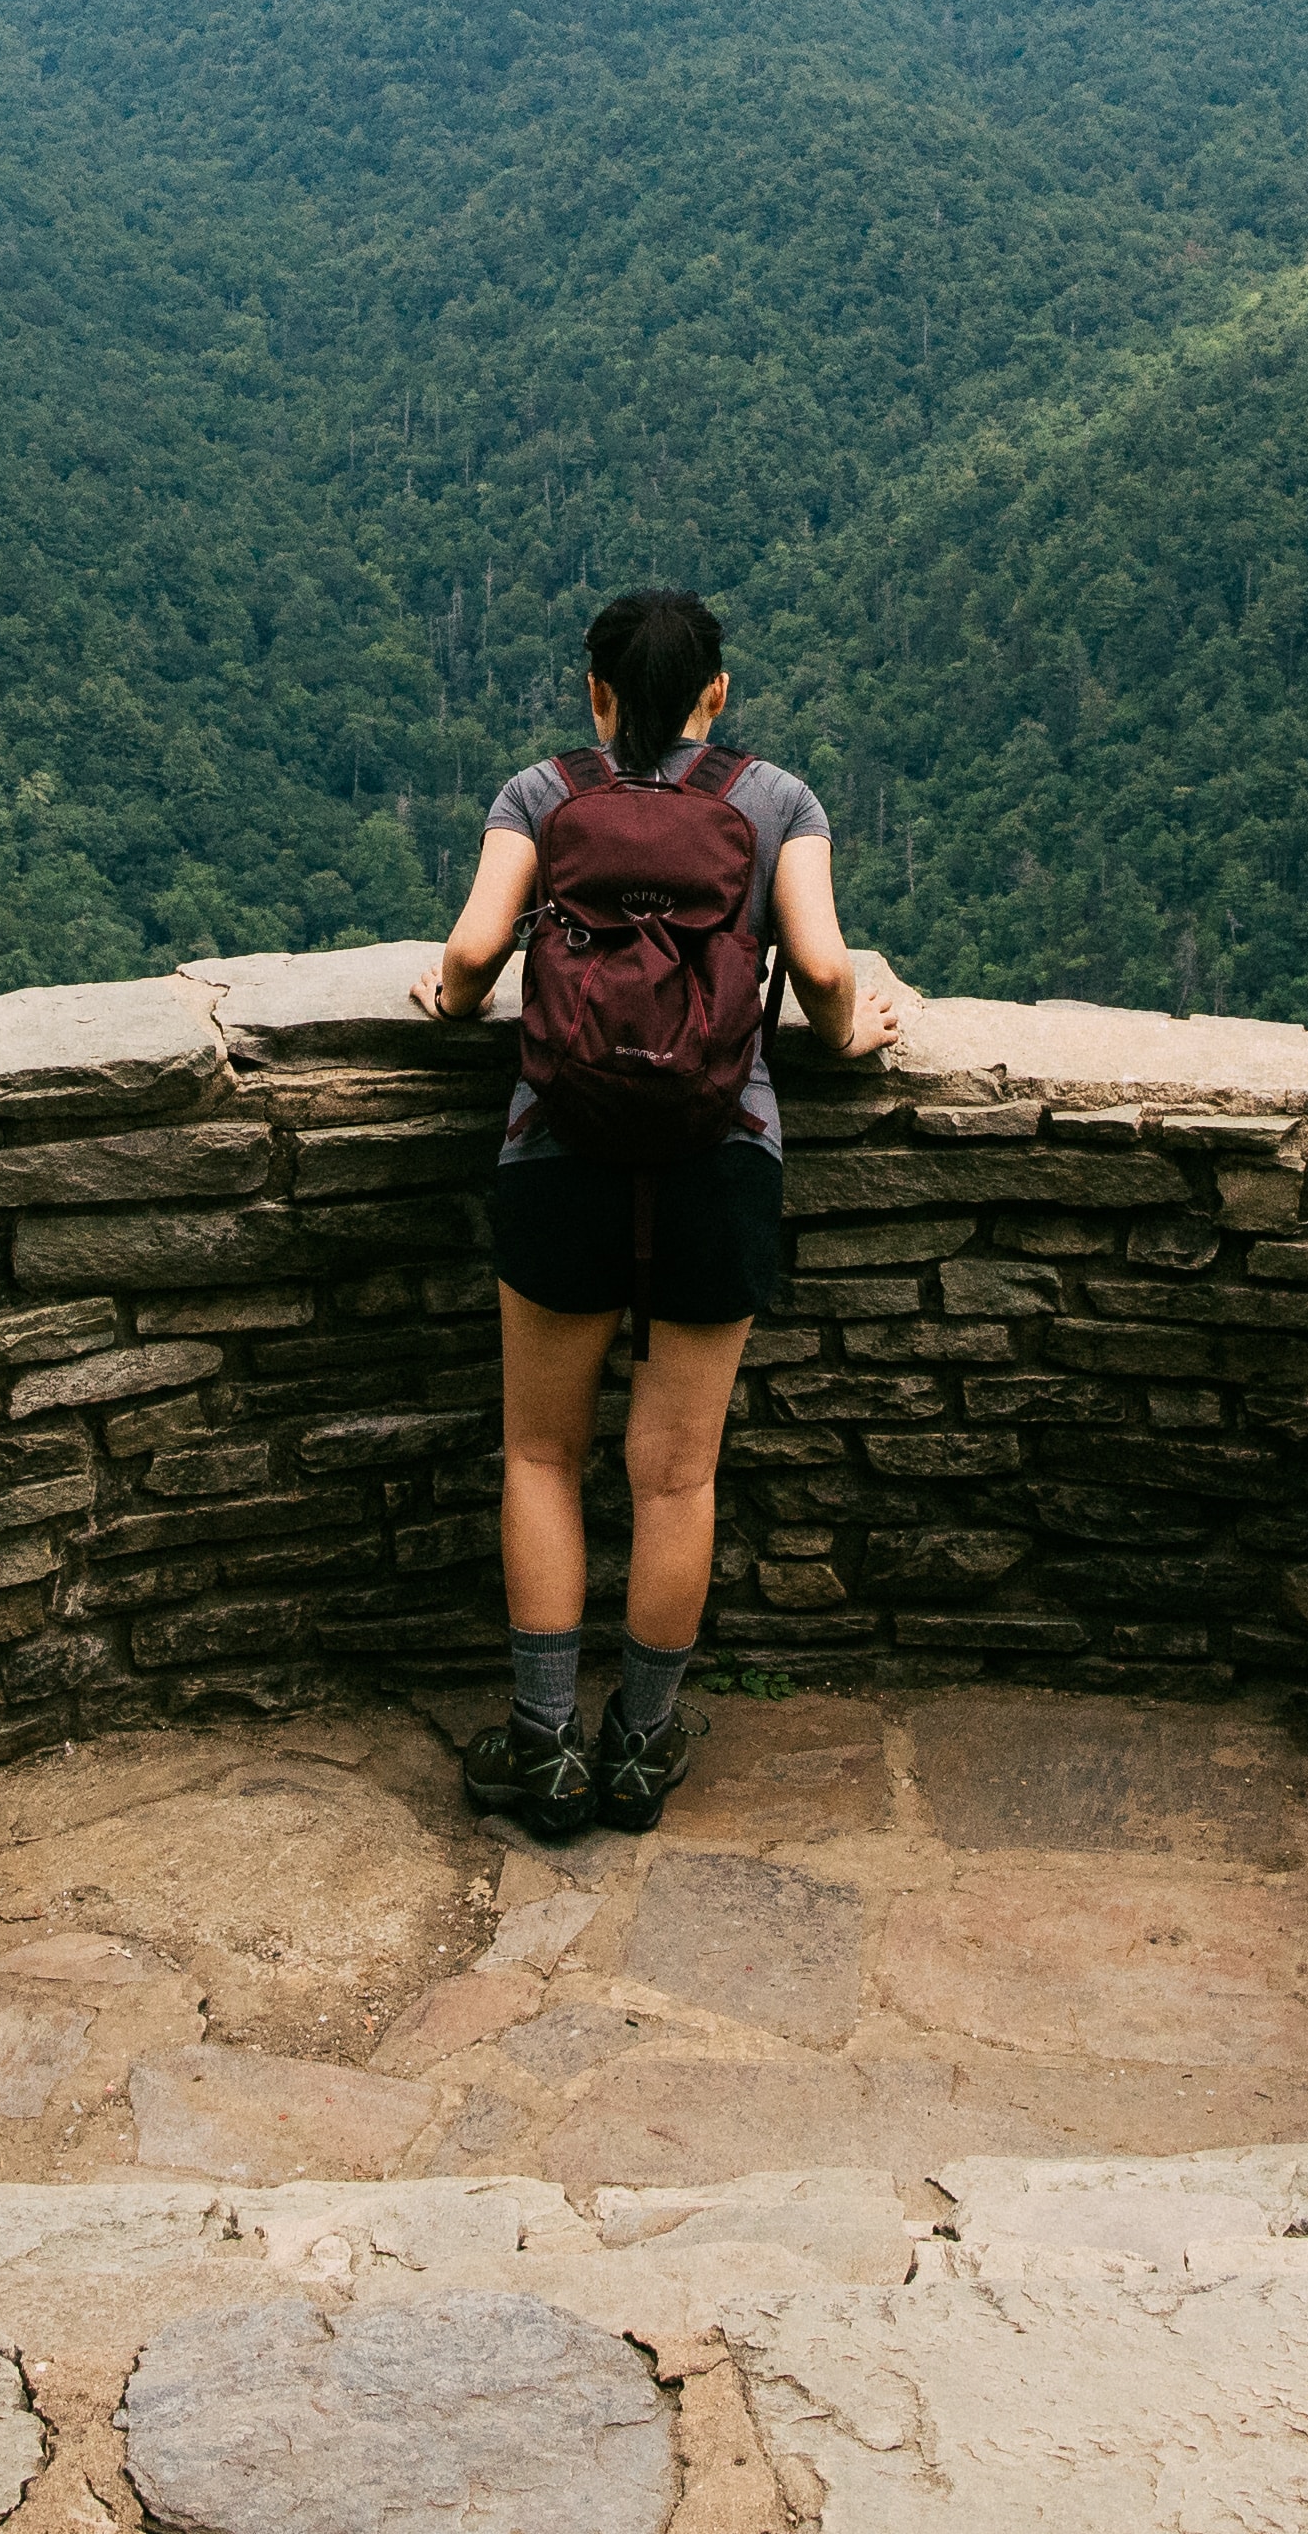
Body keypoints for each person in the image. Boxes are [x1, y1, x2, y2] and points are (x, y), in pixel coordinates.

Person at [414, 584, 913, 1839]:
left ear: (594, 691)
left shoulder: (543, 795)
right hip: (718, 1157)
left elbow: (471, 956)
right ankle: (638, 1748)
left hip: (560, 1153)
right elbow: (825, 969)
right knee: (677, 1474)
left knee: (543, 1454)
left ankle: (544, 1747)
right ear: (716, 692)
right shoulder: (776, 800)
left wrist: (453, 997)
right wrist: (852, 1032)